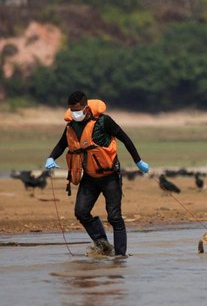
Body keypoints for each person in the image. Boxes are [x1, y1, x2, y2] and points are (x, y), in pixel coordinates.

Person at [44, 91, 150, 257]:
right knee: (81, 212)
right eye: (71, 110)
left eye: (77, 110)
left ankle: (120, 257)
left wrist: (138, 161)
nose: (74, 113)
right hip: (89, 178)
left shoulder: (103, 121)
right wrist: (50, 158)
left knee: (114, 217)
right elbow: (61, 145)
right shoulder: (71, 126)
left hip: (110, 176)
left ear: (86, 108)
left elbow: (125, 139)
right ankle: (103, 244)